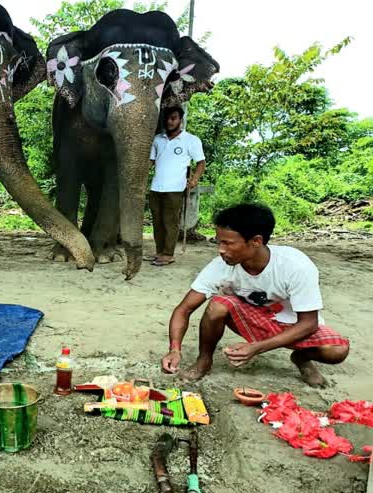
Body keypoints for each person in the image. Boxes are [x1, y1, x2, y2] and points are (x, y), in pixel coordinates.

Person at [160, 204, 349, 388]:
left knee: (337, 351)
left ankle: (301, 357)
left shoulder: (295, 265)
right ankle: (204, 360)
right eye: (219, 242)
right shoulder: (220, 265)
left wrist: (257, 348)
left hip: (293, 325)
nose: (221, 249)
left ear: (256, 241)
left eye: (228, 243)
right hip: (252, 320)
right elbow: (184, 309)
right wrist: (174, 349)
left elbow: (308, 323)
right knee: (217, 305)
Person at [147, 106, 206, 266]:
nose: (169, 121)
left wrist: (194, 180)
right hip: (156, 187)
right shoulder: (158, 139)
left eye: (173, 118)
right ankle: (159, 252)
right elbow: (151, 162)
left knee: (170, 222)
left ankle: (168, 254)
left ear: (180, 120)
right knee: (157, 222)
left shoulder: (191, 140)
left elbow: (201, 163)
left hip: (175, 188)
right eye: (167, 118)